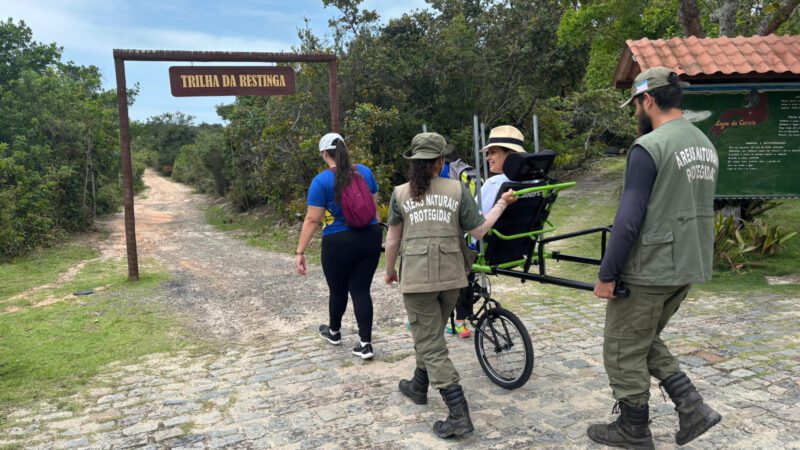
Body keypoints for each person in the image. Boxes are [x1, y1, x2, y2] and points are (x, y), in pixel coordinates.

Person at [587, 67, 722, 449]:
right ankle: (692, 407)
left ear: (647, 100)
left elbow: (629, 218)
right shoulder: (703, 144)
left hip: (650, 267)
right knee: (643, 340)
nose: (634, 114)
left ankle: (633, 428)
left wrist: (608, 273)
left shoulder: (650, 146)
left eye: (634, 106)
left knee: (621, 347)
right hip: (687, 263)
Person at [383, 132, 518, 438]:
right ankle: (419, 385)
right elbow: (480, 230)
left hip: (418, 280)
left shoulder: (401, 193)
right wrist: (501, 205)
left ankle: (458, 414)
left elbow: (392, 239)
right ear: (440, 161)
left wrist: (389, 270)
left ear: (414, 163)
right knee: (430, 335)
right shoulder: (457, 190)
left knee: (431, 342)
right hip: (453, 278)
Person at [295, 132, 382, 359]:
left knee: (338, 290)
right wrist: (377, 232)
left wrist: (300, 251)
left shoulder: (321, 181)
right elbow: (374, 206)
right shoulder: (364, 172)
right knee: (361, 290)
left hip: (338, 241)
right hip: (370, 236)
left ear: (325, 154)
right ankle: (365, 344)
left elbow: (312, 220)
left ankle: (334, 332)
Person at [477, 125, 526, 215]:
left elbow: (473, 219)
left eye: (493, 152)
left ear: (511, 155)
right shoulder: (532, 181)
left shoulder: (494, 183)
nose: (487, 158)